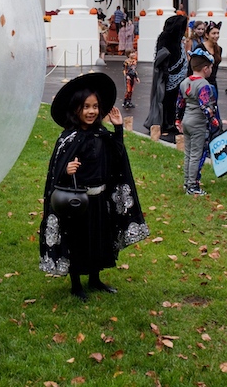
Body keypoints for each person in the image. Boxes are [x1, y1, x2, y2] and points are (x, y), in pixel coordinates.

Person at [39, 73, 150, 301]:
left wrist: (118, 129)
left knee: (99, 238)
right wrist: (66, 171)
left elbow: (118, 158)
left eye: (95, 107)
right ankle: (76, 284)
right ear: (76, 109)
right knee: (78, 241)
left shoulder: (102, 135)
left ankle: (95, 279)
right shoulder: (69, 138)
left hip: (100, 199)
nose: (91, 112)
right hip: (77, 202)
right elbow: (55, 174)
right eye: (86, 107)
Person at [175, 50, 223, 196]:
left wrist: (178, 120)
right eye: (210, 67)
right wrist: (214, 121)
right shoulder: (204, 85)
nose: (211, 70)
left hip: (187, 121)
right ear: (205, 68)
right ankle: (192, 186)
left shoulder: (185, 82)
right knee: (196, 154)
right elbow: (205, 107)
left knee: (188, 154)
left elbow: (180, 103)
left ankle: (186, 181)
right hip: (198, 123)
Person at [144, 14, 189, 137]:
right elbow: (161, 55)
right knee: (164, 99)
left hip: (178, 74)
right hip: (167, 74)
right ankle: (163, 122)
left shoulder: (178, 39)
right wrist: (165, 71)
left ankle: (171, 122)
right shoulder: (165, 37)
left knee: (174, 100)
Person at [202, 21, 223, 98]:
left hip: (213, 83)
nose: (216, 36)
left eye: (218, 33)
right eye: (213, 33)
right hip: (202, 84)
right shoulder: (200, 48)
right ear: (207, 35)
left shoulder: (219, 49)